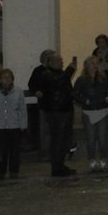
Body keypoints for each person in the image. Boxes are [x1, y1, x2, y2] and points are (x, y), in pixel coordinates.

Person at [31, 49, 77, 180]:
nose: (61, 62)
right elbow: (57, 82)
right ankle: (56, 167)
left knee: (64, 140)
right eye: (58, 61)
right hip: (56, 111)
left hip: (65, 109)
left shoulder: (60, 73)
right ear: (50, 62)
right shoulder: (47, 74)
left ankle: (60, 165)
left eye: (61, 60)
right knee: (58, 140)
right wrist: (70, 70)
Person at [72, 55, 108, 172]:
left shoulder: (103, 78)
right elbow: (75, 94)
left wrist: (107, 98)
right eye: (92, 63)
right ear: (87, 65)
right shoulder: (81, 80)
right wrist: (85, 101)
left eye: (96, 63)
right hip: (89, 111)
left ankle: (103, 159)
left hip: (102, 111)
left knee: (102, 138)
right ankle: (91, 159)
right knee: (91, 138)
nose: (95, 66)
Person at [0, 67, 24, 181]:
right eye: (4, 78)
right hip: (0, 125)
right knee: (2, 150)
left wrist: (23, 124)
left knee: (15, 150)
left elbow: (22, 109)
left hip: (14, 125)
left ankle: (14, 170)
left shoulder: (18, 91)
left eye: (9, 77)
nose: (7, 80)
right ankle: (1, 171)